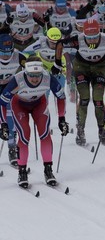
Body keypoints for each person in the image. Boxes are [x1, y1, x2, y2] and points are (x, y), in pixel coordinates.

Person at [0, 56, 69, 188]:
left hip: (39, 104)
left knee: (45, 134)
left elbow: (61, 97)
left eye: (38, 75)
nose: (35, 79)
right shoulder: (17, 80)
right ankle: (22, 171)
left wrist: (61, 119)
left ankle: (48, 170)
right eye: (31, 75)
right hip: (20, 105)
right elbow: (2, 102)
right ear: (26, 72)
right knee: (25, 135)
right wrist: (3, 124)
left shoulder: (48, 77)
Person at [51, 19, 105, 147]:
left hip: (99, 68)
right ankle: (80, 130)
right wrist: (57, 63)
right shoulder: (78, 39)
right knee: (84, 98)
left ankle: (102, 130)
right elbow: (60, 44)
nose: (92, 41)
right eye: (89, 38)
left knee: (98, 100)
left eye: (95, 37)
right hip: (81, 68)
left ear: (99, 33)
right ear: (84, 35)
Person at [0, 34, 26, 166]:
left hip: (9, 86)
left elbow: (29, 68)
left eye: (8, 52)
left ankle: (12, 147)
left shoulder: (18, 56)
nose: (6, 56)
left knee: (11, 114)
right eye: (2, 52)